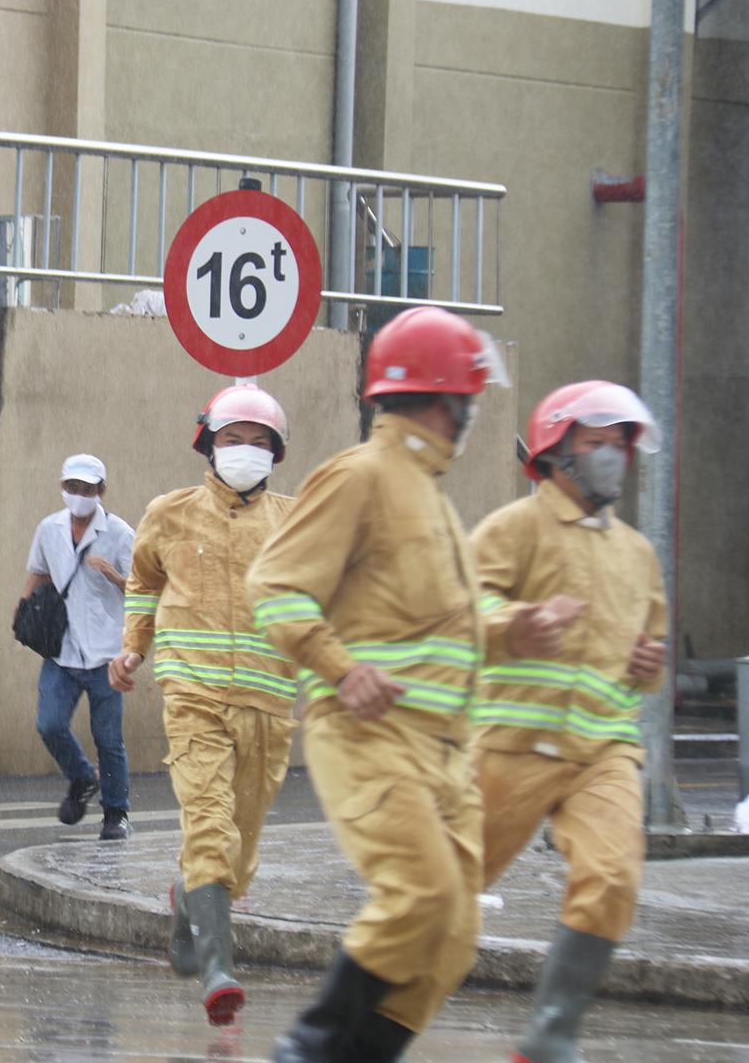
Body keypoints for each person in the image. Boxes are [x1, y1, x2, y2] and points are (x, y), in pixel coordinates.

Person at [246, 306, 516, 1063]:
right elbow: (275, 585)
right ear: (441, 397)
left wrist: (517, 627)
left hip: (443, 755)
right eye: (468, 396)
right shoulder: (362, 475)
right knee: (420, 897)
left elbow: (440, 631)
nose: (471, 413)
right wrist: (339, 665)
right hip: (370, 738)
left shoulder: (428, 493)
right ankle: (312, 1046)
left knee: (454, 931)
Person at [470, 381, 667, 1063]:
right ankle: (362, 1019)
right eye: (598, 442)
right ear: (557, 449)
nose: (614, 455)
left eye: (621, 445)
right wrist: (515, 625)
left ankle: (551, 1034)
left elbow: (652, 653)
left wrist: (649, 663)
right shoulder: (512, 530)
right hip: (512, 747)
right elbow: (460, 611)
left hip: (604, 748)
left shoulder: (636, 553)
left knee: (613, 877)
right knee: (439, 890)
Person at [108, 384, 297, 1026]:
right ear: (207, 445)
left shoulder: (297, 523)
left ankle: (189, 899)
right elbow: (143, 580)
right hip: (193, 696)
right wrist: (134, 646)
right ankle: (221, 969)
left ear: (276, 452)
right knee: (210, 827)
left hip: (269, 704)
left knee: (238, 850)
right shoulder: (170, 513)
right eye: (232, 439)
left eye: (258, 442)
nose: (245, 451)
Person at [21, 454, 135, 840]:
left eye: (87, 489)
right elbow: (37, 572)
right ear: (63, 488)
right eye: (73, 488)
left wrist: (113, 574)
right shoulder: (49, 529)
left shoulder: (119, 533)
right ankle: (82, 777)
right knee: (49, 724)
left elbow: (142, 589)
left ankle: (115, 813)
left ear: (101, 491)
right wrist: (27, 613)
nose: (79, 495)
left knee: (108, 738)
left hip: (106, 653)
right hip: (63, 650)